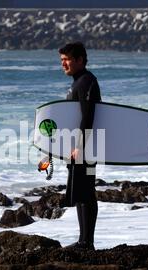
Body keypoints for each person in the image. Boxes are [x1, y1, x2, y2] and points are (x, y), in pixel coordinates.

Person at [58, 42, 101, 250]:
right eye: (62, 60)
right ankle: (84, 240)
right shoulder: (78, 82)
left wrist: (81, 146)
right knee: (81, 190)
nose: (63, 64)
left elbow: (88, 116)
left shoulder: (86, 82)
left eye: (67, 60)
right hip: (82, 145)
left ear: (80, 60)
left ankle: (86, 242)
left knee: (86, 191)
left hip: (88, 146)